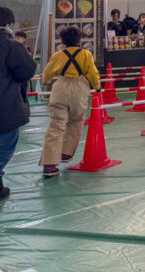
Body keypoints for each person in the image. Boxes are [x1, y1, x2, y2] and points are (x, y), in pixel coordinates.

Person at [0, 6, 36, 214]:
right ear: (7, 24)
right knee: (3, 148)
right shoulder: (10, 46)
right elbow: (28, 70)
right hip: (3, 106)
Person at [39, 27, 101, 178]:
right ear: (80, 41)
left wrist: (46, 81)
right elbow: (93, 73)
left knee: (55, 126)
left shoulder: (57, 55)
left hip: (60, 88)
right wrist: (97, 87)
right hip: (79, 89)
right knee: (76, 122)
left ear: (62, 41)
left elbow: (47, 76)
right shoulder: (86, 54)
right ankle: (65, 153)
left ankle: (49, 165)